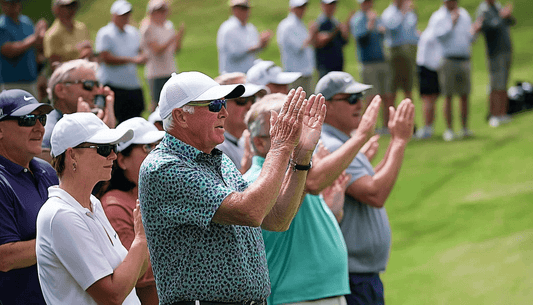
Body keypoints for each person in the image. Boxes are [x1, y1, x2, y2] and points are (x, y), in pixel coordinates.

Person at [138, 71, 325, 304]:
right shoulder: (164, 167)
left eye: (224, 103)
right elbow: (251, 211)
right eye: (214, 105)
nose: (224, 112)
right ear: (181, 116)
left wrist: (301, 155)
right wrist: (280, 146)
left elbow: (277, 219)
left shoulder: (220, 160)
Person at [316, 71, 414, 305]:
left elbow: (368, 182)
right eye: (350, 99)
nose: (359, 104)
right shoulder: (331, 146)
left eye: (360, 96)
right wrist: (399, 141)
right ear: (326, 106)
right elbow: (374, 193)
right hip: (352, 277)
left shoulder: (343, 143)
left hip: (361, 275)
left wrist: (394, 144)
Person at [242, 93, 351, 305]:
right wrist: (362, 135)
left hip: (323, 293)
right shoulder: (258, 181)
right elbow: (279, 222)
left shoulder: (297, 171)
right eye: (285, 128)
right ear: (259, 143)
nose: (298, 135)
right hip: (294, 297)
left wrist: (332, 211)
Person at [36, 112, 149, 304]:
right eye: (104, 149)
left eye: (113, 147)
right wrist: (141, 238)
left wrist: (144, 237)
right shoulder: (61, 214)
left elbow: (135, 273)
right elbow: (112, 295)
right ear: (72, 155)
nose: (113, 155)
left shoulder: (93, 203)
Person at [99, 117, 164, 305]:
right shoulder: (113, 206)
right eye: (147, 148)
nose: (156, 154)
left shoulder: (155, 194)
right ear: (122, 160)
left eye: (158, 146)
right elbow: (137, 272)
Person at [0, 89, 56, 305]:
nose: (40, 127)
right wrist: (65, 239)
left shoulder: (46, 170)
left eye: (41, 118)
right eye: (27, 119)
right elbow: (5, 257)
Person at [41, 59, 116, 162]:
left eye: (97, 84)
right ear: (60, 90)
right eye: (88, 85)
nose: (97, 91)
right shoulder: (48, 129)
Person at [95, 0, 146, 124]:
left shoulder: (133, 32)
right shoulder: (105, 33)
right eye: (122, 15)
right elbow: (105, 57)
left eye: (127, 14)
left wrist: (143, 57)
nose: (125, 17)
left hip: (132, 85)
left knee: (135, 119)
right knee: (114, 121)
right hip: (113, 85)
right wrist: (132, 60)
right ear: (114, 15)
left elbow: (140, 51)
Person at [350, 0, 394, 134]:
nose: (368, 4)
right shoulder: (358, 19)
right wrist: (370, 25)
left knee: (387, 95)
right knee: (371, 96)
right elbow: (361, 39)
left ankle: (386, 126)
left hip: (382, 60)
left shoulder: (377, 18)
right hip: (368, 63)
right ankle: (369, 127)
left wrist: (381, 31)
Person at [433, 0, 473, 141]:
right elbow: (437, 36)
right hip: (448, 60)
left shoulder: (465, 15)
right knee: (448, 95)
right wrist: (451, 23)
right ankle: (449, 129)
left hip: (464, 59)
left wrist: (475, 32)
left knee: (464, 95)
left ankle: (465, 128)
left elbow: (469, 36)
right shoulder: (438, 17)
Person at [472, 0, 515, 127]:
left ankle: (502, 113)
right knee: (495, 84)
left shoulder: (497, 6)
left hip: (506, 50)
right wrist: (501, 17)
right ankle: (494, 115)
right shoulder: (483, 10)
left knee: (504, 83)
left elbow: (510, 22)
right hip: (495, 52)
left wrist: (508, 16)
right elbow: (488, 27)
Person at [214, 72, 267, 172]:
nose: (250, 106)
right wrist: (245, 169)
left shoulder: (245, 139)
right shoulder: (214, 147)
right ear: (220, 105)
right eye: (242, 100)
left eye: (253, 99)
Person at [140, 0, 185, 111]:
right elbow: (157, 50)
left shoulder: (169, 25)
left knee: (174, 104)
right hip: (155, 73)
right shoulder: (148, 28)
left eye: (163, 10)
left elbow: (176, 49)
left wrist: (179, 38)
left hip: (170, 70)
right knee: (157, 104)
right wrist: (173, 38)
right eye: (158, 11)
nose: (161, 14)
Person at [0, 0, 47, 96]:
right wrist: (35, 37)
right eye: (7, 3)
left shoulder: (27, 21)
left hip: (31, 80)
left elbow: (37, 48)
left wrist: (41, 32)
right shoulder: (2, 25)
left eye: (14, 3)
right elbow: (9, 51)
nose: (11, 6)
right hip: (10, 83)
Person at [382, 0, 419, 121]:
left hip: (408, 52)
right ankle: (390, 120)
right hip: (394, 53)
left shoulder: (409, 12)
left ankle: (409, 121)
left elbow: (412, 30)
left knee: (408, 89)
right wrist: (403, 13)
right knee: (392, 90)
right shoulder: (388, 13)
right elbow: (393, 28)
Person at [216, 0, 272, 74]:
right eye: (242, 8)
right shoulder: (228, 29)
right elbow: (235, 54)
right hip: (232, 76)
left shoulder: (250, 28)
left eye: (247, 8)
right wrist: (257, 46)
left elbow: (255, 51)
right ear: (234, 9)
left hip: (248, 74)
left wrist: (263, 44)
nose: (246, 11)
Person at [415, 6, 443, 139]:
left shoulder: (429, 33)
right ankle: (427, 127)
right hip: (427, 68)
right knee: (428, 99)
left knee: (431, 99)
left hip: (431, 68)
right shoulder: (433, 34)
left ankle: (429, 127)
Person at [277, 0, 316, 94]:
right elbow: (299, 47)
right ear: (292, 8)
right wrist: (312, 34)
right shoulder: (288, 26)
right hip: (295, 74)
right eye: (299, 7)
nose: (302, 10)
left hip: (304, 72)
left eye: (303, 7)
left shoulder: (299, 24)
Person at [44, 0, 92, 64]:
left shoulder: (82, 27)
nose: (71, 9)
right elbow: (55, 64)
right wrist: (79, 59)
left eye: (73, 5)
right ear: (56, 9)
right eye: (67, 6)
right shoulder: (52, 34)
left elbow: (89, 50)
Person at [312, 0, 349, 79]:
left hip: (338, 65)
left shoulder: (335, 21)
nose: (331, 7)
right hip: (325, 66)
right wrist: (335, 30)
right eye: (328, 5)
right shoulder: (320, 23)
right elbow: (319, 42)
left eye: (333, 4)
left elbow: (344, 42)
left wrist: (345, 31)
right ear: (322, 5)